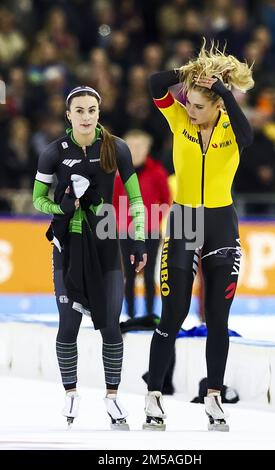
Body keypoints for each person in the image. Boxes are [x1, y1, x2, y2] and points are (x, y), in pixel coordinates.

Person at [144, 41, 254, 432]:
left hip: (222, 223)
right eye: (187, 103)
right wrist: (190, 74)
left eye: (197, 105)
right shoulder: (178, 121)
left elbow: (249, 135)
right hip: (184, 221)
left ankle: (214, 398)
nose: (189, 110)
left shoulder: (231, 125)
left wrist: (223, 90)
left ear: (219, 105)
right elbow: (156, 83)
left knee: (217, 319)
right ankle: (154, 395)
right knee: (173, 314)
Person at [32, 85, 147, 429]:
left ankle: (112, 398)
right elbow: (38, 199)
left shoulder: (117, 148)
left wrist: (139, 240)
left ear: (99, 113)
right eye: (79, 110)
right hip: (68, 248)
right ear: (68, 115)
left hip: (106, 244)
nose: (86, 116)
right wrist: (61, 207)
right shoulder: (54, 153)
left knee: (112, 327)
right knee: (68, 326)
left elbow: (137, 200)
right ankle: (71, 393)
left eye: (91, 110)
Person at [113, 129, 170, 321]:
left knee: (149, 275)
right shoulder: (118, 174)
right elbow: (112, 201)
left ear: (147, 148)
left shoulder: (157, 172)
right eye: (132, 147)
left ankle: (149, 313)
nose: (136, 151)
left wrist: (155, 220)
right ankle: (129, 314)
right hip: (126, 230)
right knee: (127, 275)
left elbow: (165, 199)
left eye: (140, 146)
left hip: (150, 231)